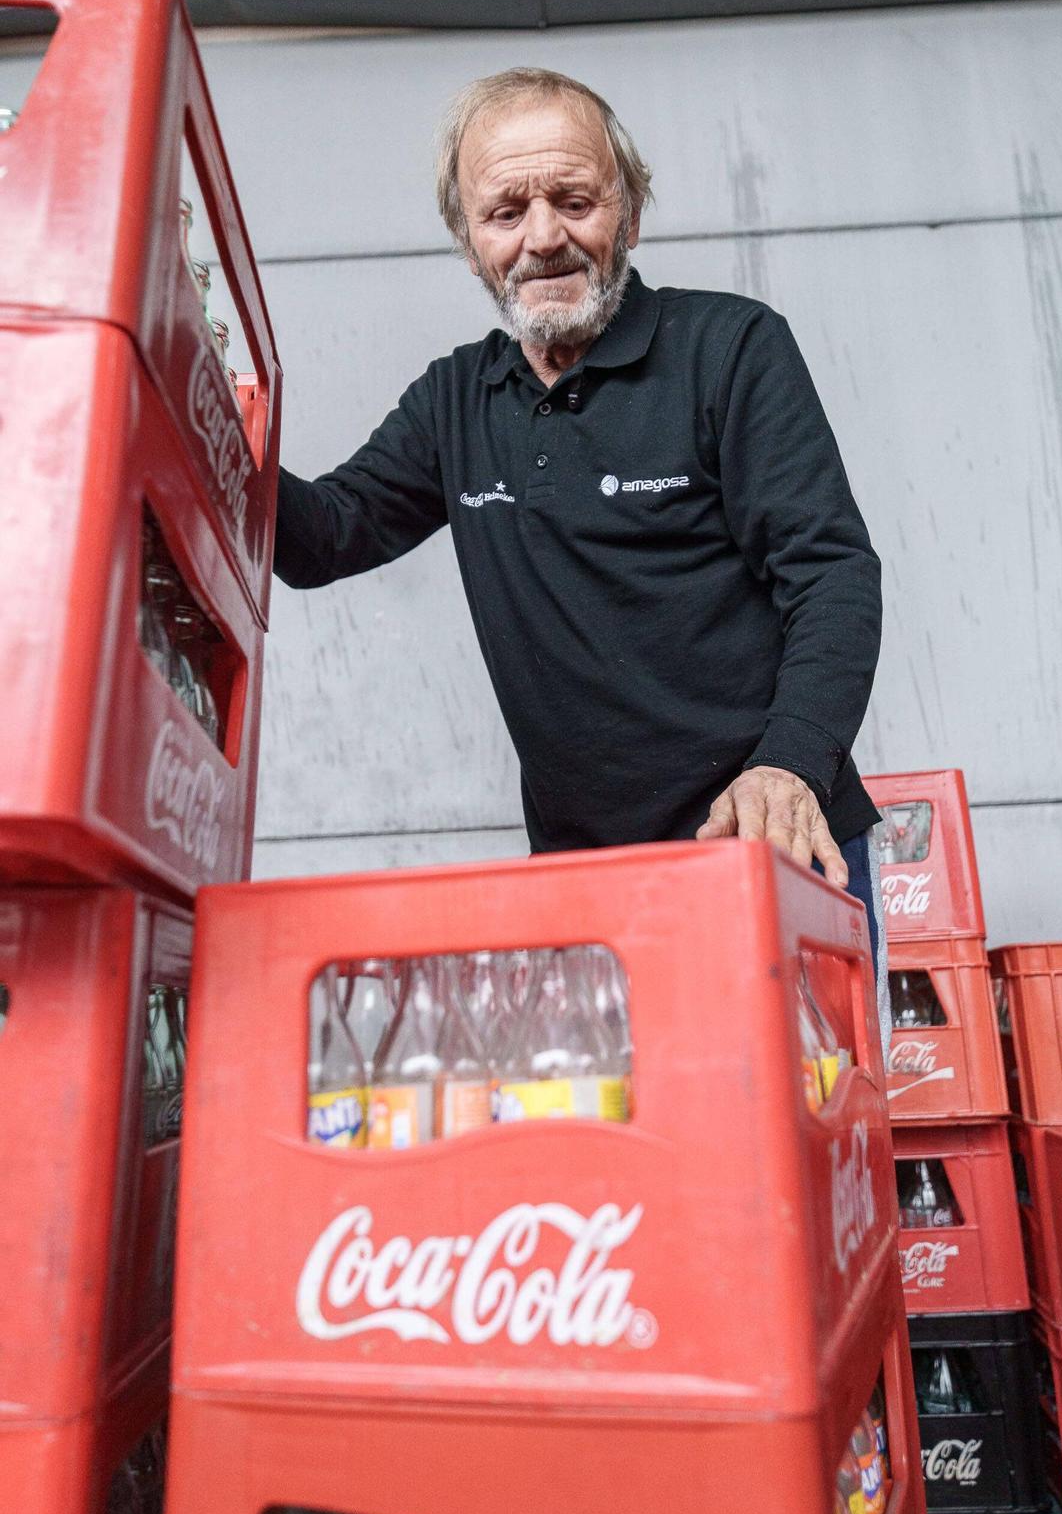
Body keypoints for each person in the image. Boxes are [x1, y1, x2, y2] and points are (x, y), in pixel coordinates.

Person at [273, 67, 889, 997]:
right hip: (585, 890)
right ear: (467, 240)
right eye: (505, 212)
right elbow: (319, 540)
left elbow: (832, 572)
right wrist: (182, 403)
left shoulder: (730, 350)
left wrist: (791, 766)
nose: (543, 238)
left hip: (770, 848)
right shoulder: (454, 402)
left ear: (630, 212)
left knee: (791, 1138)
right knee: (623, 1143)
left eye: (573, 199)